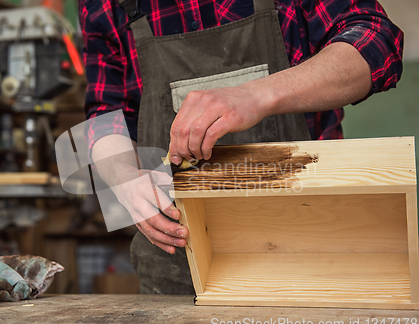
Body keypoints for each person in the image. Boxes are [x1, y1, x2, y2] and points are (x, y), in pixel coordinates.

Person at [79, 0, 403, 294]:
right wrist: (123, 178)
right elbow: (105, 115)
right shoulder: (103, 4)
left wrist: (258, 95)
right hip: (182, 270)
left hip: (316, 253)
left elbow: (376, 42)